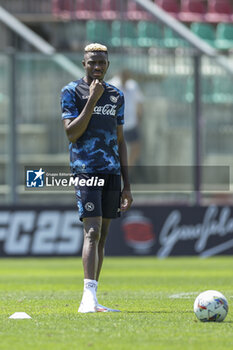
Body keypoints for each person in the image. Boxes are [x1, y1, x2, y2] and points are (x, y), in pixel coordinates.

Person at [60, 43, 133, 313]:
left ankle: (92, 298)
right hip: (86, 171)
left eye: (102, 62)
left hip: (112, 172)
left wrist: (127, 185)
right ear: (84, 64)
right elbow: (71, 133)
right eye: (92, 62)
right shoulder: (71, 92)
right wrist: (92, 99)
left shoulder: (116, 96)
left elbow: (121, 140)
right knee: (91, 231)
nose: (97, 67)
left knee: (102, 237)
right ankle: (86, 299)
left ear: (108, 64)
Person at [109, 70, 144, 166]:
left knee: (136, 148)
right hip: (116, 125)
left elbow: (139, 102)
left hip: (130, 123)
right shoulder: (111, 85)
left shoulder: (133, 85)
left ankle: (126, 172)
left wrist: (139, 119)